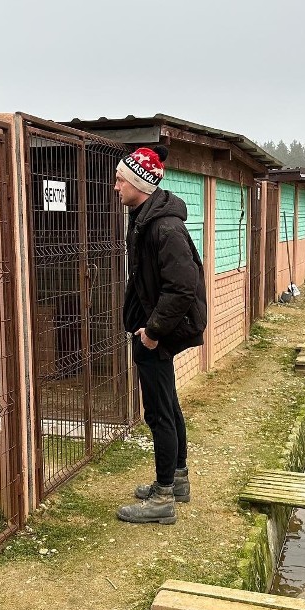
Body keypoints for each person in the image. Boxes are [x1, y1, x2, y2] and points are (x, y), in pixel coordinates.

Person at [114, 146, 207, 526]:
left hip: (155, 332)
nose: (115, 185)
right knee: (169, 403)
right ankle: (178, 479)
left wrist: (152, 332)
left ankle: (164, 495)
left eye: (120, 179)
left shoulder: (164, 227)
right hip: (153, 328)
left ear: (139, 183)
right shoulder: (145, 219)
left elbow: (183, 287)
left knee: (158, 412)